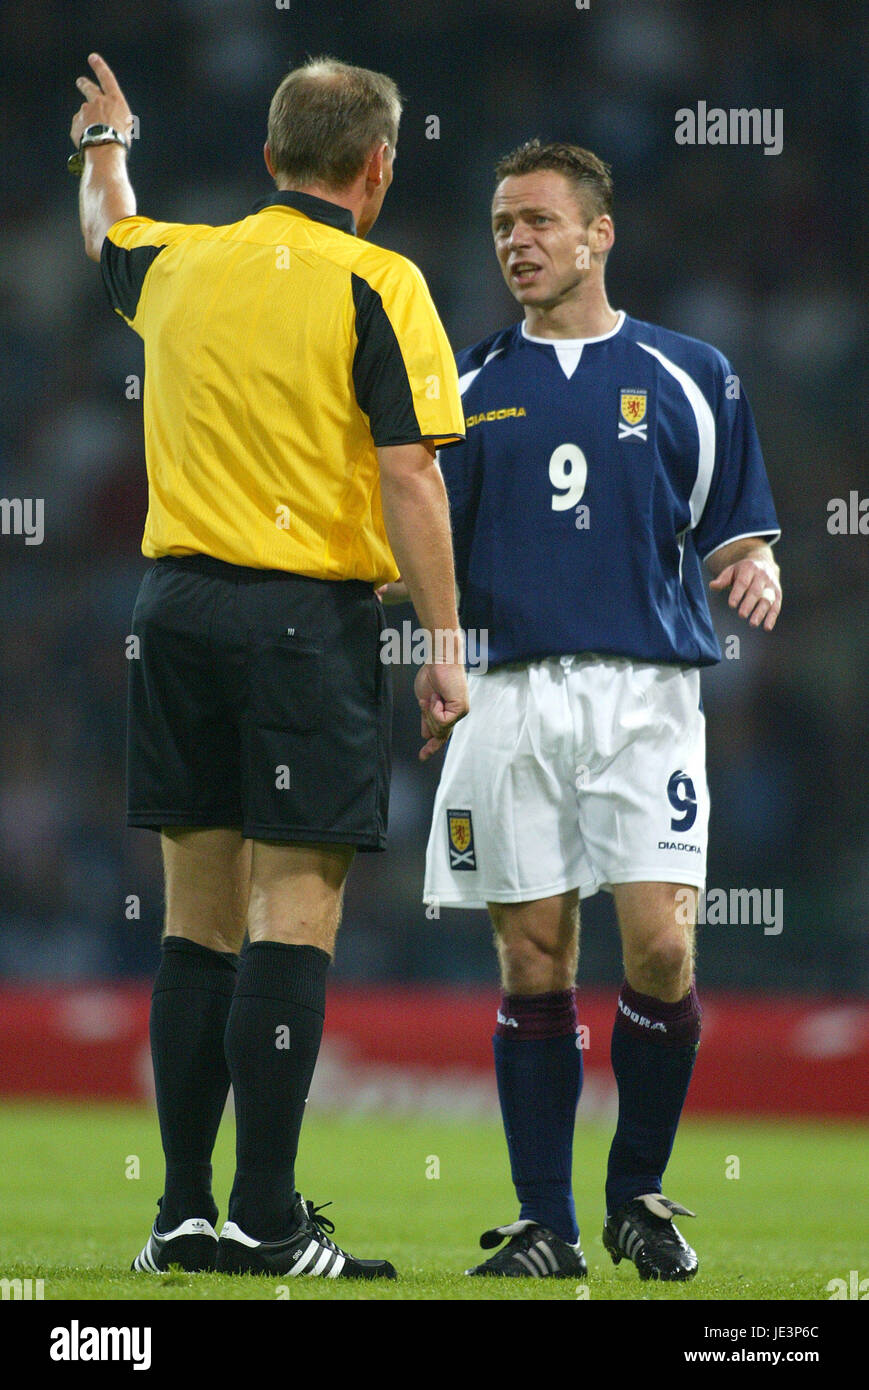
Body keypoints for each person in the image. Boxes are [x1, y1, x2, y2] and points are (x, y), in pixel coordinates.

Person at [70, 52, 468, 1281]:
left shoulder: (179, 260)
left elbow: (106, 230)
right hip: (305, 624)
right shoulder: (378, 281)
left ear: (266, 159)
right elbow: (410, 472)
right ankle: (267, 1221)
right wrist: (445, 643)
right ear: (376, 167)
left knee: (195, 926)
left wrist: (105, 142)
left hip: (174, 607)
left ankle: (181, 1216)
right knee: (292, 915)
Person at [420, 139, 782, 1281]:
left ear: (597, 234)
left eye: (534, 221)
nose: (514, 243)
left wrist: (755, 567)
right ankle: (546, 1225)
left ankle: (636, 1195)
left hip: (645, 696)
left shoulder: (692, 373)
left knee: (662, 947)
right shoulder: (466, 385)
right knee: (532, 958)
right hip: (510, 694)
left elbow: (735, 527)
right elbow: (423, 543)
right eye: (499, 227)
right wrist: (427, 652)